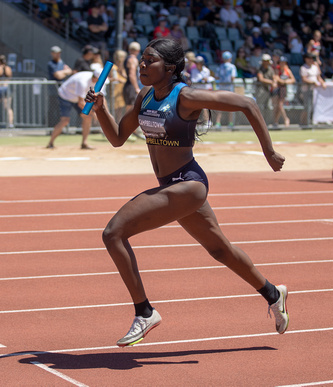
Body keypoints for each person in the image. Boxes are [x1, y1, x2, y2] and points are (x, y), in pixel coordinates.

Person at [84, 38, 288, 347]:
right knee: (220, 250)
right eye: (141, 60)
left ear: (169, 68)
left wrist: (269, 152)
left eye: (148, 61)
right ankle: (273, 293)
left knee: (113, 233)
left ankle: (145, 311)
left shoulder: (187, 97)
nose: (141, 65)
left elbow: (248, 103)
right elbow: (116, 138)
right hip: (172, 185)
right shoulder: (144, 96)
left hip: (189, 184)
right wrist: (100, 109)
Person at [46, 69, 104, 150]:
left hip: (77, 98)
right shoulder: (82, 82)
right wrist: (93, 113)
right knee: (65, 120)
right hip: (65, 96)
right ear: (95, 78)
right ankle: (50, 143)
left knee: (87, 117)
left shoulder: (96, 83)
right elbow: (81, 103)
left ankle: (84, 143)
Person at [47, 45, 72, 130]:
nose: (58, 55)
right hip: (54, 91)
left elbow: (70, 71)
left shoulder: (62, 62)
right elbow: (58, 75)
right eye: (56, 53)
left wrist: (63, 72)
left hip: (63, 92)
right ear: (52, 53)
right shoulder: (51, 64)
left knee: (61, 111)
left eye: (59, 53)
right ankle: (50, 129)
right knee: (52, 110)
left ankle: (60, 129)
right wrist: (65, 71)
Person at [214, 50, 237, 128]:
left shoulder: (220, 66)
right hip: (229, 88)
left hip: (221, 88)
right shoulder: (232, 67)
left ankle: (218, 123)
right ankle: (230, 123)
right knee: (231, 106)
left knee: (219, 106)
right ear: (230, 58)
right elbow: (233, 77)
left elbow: (216, 76)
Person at [273, 56, 295, 127]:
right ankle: (276, 121)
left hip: (283, 88)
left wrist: (285, 82)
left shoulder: (287, 70)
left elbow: (293, 80)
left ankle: (286, 119)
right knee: (277, 106)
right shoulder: (277, 70)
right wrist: (281, 81)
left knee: (280, 105)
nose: (282, 64)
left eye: (283, 63)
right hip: (277, 89)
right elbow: (276, 78)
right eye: (281, 63)